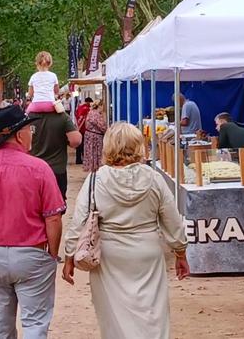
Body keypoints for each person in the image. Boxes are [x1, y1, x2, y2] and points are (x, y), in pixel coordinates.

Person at [62, 123, 190, 339]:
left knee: (113, 317)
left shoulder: (96, 179)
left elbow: (78, 222)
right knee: (153, 313)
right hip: (147, 252)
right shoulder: (153, 178)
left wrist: (69, 256)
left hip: (109, 256)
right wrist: (180, 251)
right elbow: (172, 219)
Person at [0, 105, 66, 338]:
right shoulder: (39, 168)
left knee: (0, 324)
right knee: (35, 323)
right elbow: (53, 216)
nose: (32, 135)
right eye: (30, 130)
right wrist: (52, 253)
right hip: (32, 251)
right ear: (19, 134)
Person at [30, 104, 82, 204]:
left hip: (32, 170)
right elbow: (76, 141)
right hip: (56, 169)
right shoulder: (62, 117)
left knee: (33, 207)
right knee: (56, 207)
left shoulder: (28, 116)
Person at [83, 99, 107, 172]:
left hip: (90, 136)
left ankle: (92, 167)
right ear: (100, 106)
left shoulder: (91, 112)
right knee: (96, 153)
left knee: (91, 153)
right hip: (95, 137)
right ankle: (95, 168)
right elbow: (102, 126)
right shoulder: (96, 114)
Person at [74, 97, 93, 164]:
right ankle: (83, 158)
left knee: (79, 145)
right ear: (88, 102)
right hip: (84, 129)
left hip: (78, 128)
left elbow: (76, 115)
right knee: (84, 145)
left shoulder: (79, 107)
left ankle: (78, 159)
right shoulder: (87, 109)